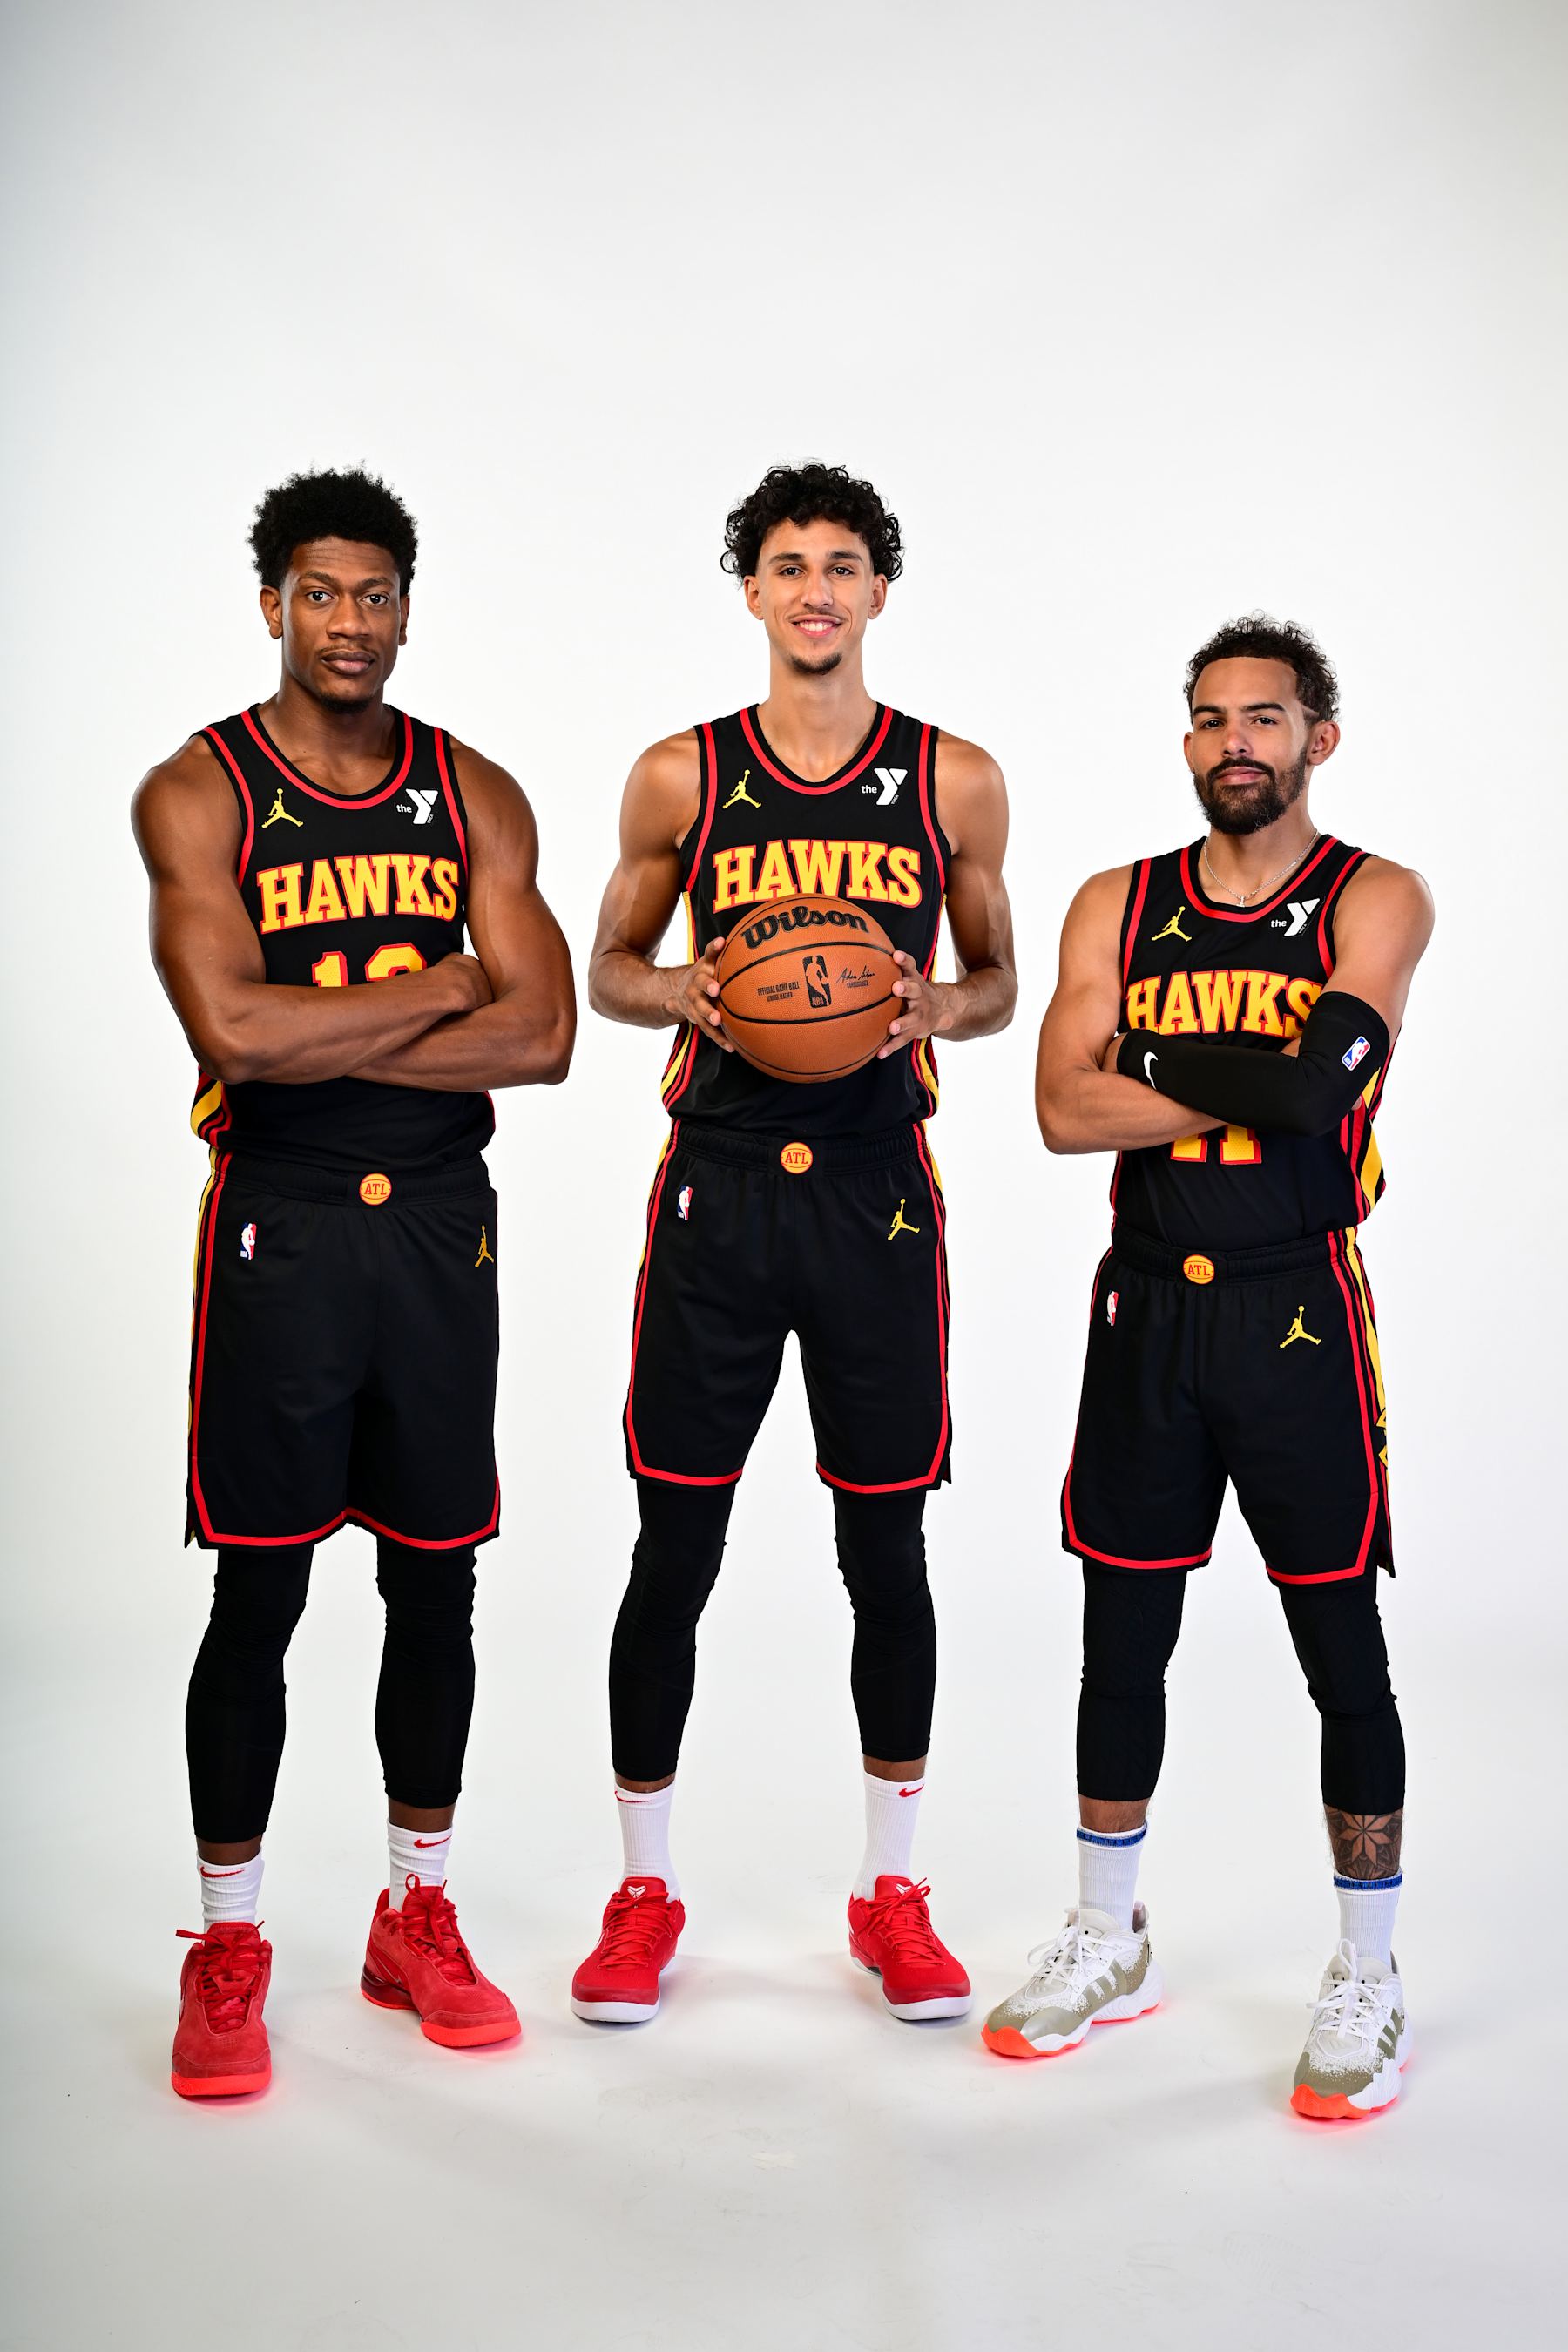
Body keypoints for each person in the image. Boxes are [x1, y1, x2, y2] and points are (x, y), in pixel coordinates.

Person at [132, 468, 575, 2097]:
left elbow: (543, 1038)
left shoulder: (476, 793)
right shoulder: (201, 792)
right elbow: (233, 1033)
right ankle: (230, 1943)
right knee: (260, 1589)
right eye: (320, 592)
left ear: (407, 606)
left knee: (436, 1580)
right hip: (284, 1220)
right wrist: (441, 979)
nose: (350, 622)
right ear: (272, 604)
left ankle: (417, 1915)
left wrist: (356, 1021)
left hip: (442, 1225)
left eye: (375, 594)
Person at [577, 463, 1016, 2024]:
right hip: (721, 1179)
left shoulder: (950, 777)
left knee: (883, 1545)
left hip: (879, 1190)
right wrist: (689, 989)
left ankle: (893, 1892)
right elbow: (608, 966)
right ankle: (641, 1891)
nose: (816, 589)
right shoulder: (681, 777)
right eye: (786, 565)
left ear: (880, 591)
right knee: (673, 1544)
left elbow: (997, 981)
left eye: (843, 565)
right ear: (750, 591)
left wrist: (929, 1006)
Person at [984, 615, 1433, 2120]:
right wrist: (1228, 1079)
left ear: (1320, 735)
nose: (1236, 742)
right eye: (1209, 720)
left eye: (1266, 717)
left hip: (1295, 1306)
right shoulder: (1119, 900)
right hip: (1148, 1314)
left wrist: (1152, 1066)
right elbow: (1057, 1107)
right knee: (1123, 1630)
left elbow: (1316, 1096)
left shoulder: (1374, 897)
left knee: (1338, 1648)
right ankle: (1109, 1933)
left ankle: (1368, 1974)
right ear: (1186, 742)